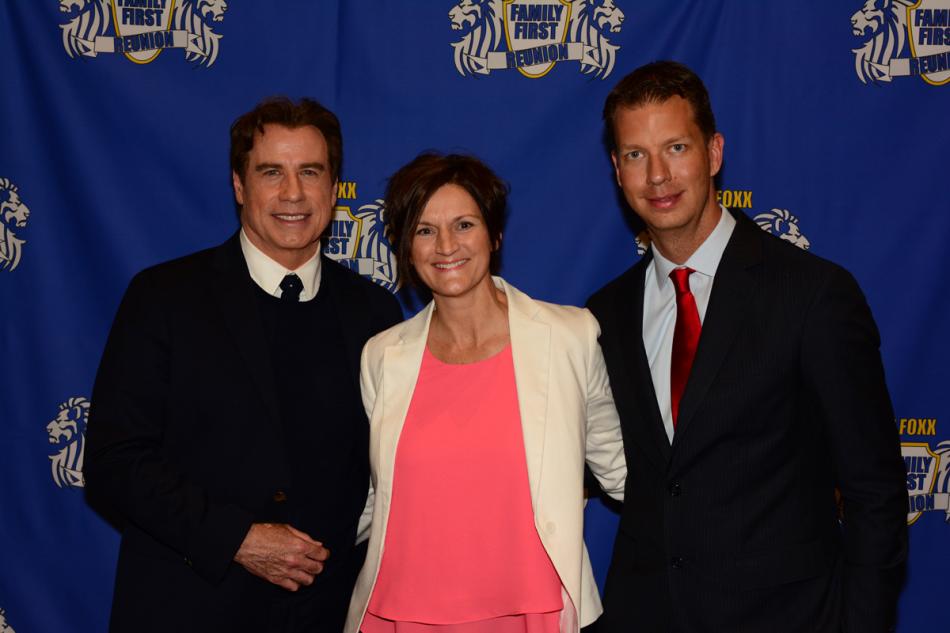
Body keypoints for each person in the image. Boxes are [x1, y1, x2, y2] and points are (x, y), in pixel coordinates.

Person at [585, 60, 908, 633]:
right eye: (636, 154)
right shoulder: (604, 314)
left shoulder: (813, 294)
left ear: (713, 153)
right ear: (617, 169)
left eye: (676, 147)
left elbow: (874, 491)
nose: (658, 175)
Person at [84, 97, 403, 633]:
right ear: (239, 185)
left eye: (310, 172)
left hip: (325, 616)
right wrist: (237, 539)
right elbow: (114, 461)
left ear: (334, 188)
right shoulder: (164, 298)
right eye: (271, 172)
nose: (293, 193)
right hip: (186, 611)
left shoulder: (375, 312)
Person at [343, 153, 626, 633]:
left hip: (533, 612)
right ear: (405, 246)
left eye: (464, 225)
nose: (446, 246)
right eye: (425, 230)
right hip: (401, 615)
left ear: (494, 235)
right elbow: (373, 495)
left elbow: (620, 469)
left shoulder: (569, 337)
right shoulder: (383, 357)